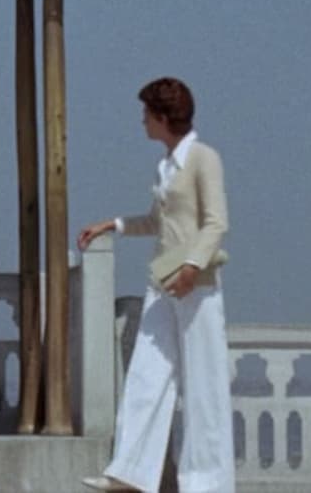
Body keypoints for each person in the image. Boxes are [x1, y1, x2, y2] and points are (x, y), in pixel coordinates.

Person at [79, 78, 234, 493]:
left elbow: (216, 223)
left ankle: (206, 484)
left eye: (146, 114)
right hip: (162, 282)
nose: (142, 121)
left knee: (203, 386)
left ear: (164, 117)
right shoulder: (166, 165)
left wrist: (191, 267)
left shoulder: (203, 158)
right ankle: (129, 472)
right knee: (146, 375)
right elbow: (156, 221)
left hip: (196, 286)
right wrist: (112, 225)